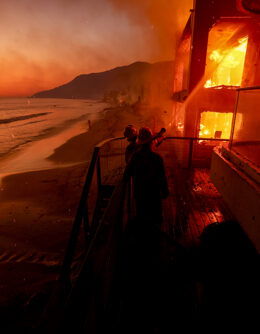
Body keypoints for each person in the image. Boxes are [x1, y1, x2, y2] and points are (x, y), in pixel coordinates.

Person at [124, 126, 169, 227]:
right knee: (156, 218)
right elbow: (162, 177)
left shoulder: (135, 157)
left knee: (141, 216)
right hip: (154, 193)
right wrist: (165, 191)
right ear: (151, 141)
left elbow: (127, 174)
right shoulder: (157, 158)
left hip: (140, 192)